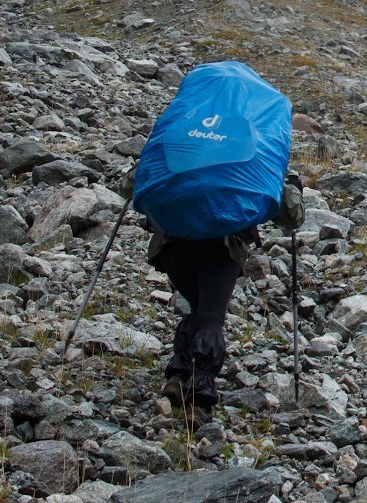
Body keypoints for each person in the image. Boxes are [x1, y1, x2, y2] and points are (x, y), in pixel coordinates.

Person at [119, 61, 306, 421]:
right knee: (211, 318)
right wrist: (293, 188)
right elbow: (290, 217)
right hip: (221, 248)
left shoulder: (184, 136)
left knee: (199, 307)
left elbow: (130, 187)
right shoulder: (254, 145)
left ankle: (177, 374)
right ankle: (200, 395)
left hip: (171, 245)